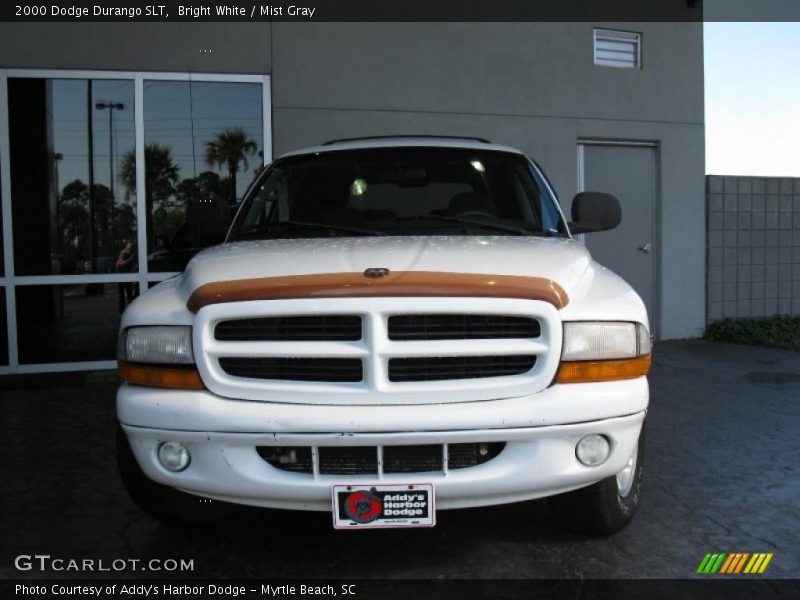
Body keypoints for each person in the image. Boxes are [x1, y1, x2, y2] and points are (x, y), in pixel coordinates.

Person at [116, 242, 138, 312]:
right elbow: (120, 264)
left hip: (127, 275)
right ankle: (122, 311)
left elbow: (118, 264)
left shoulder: (132, 254)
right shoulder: (124, 253)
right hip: (122, 275)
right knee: (123, 294)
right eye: (129, 246)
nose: (130, 248)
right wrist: (130, 259)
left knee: (128, 294)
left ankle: (130, 310)